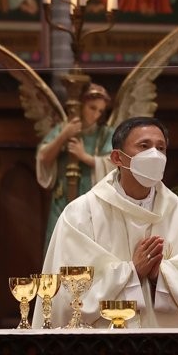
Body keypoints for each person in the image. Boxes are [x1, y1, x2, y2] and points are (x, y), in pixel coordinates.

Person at [36, 116, 178, 329]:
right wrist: (133, 270)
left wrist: (159, 275)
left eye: (161, 148)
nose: (155, 154)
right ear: (117, 158)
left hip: (169, 346)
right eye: (144, 146)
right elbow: (67, 299)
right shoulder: (81, 214)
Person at [37, 84, 114, 247]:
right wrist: (64, 135)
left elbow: (115, 164)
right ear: (81, 105)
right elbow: (43, 157)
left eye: (100, 111)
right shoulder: (64, 129)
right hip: (63, 195)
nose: (95, 115)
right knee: (60, 243)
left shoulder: (105, 134)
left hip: (91, 197)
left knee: (87, 246)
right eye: (92, 108)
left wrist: (84, 157)